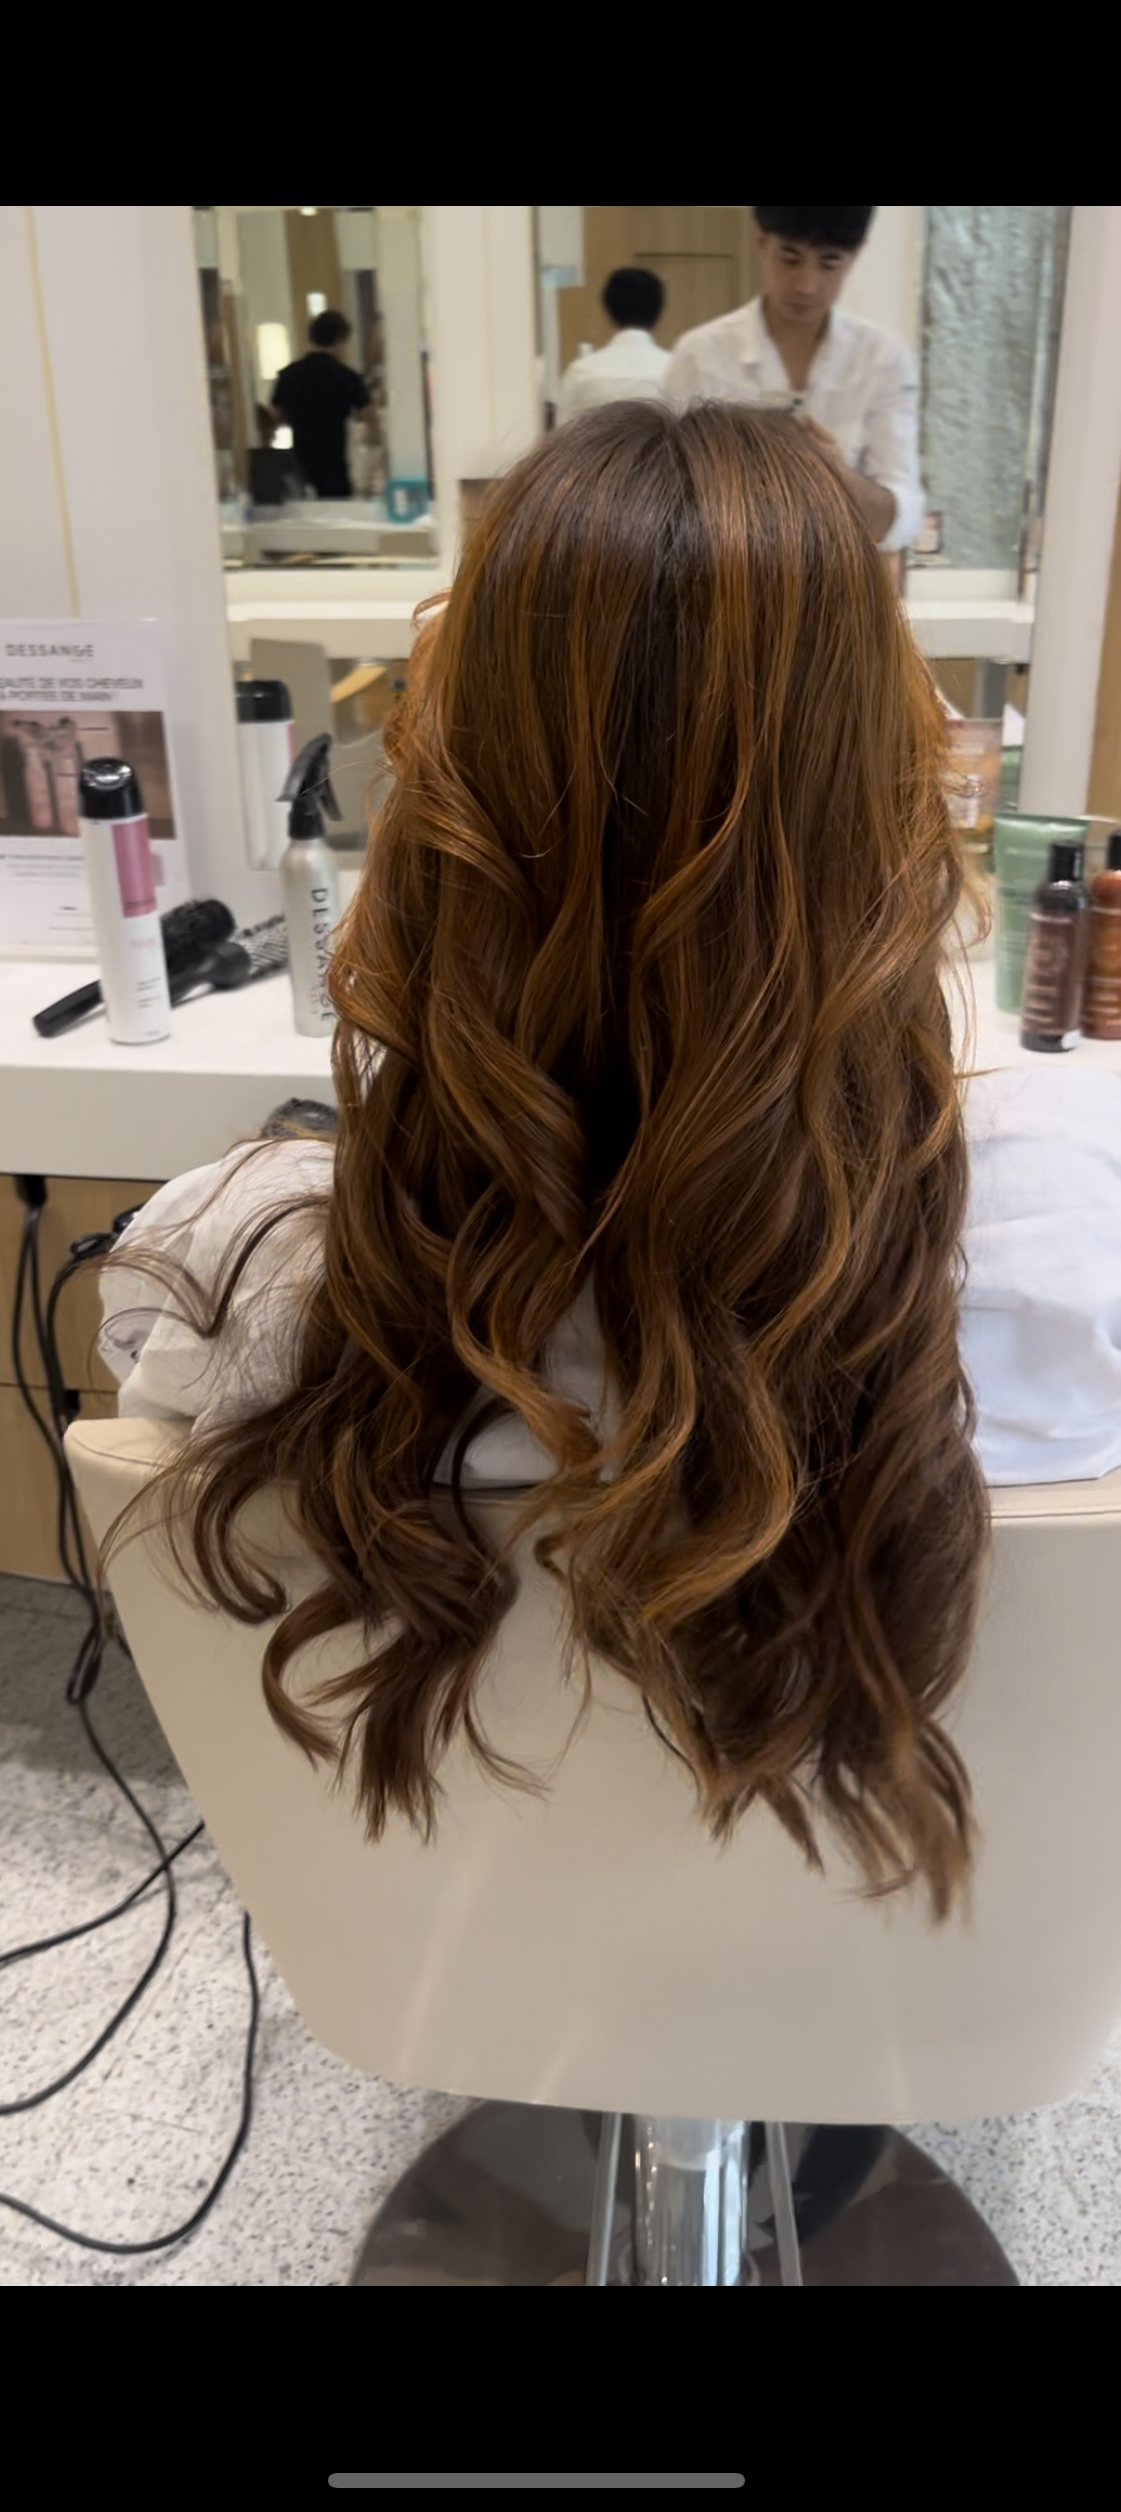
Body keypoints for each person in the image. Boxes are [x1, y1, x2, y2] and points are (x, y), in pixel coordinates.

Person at [96, 403, 1121, 1929]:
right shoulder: (1069, 1229)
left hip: (463, 1955)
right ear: (882, 799)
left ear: (445, 797)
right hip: (924, 1947)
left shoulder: (231, 1265)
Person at [663, 207, 924, 551]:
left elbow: (904, 517)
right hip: (726, 571)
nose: (806, 286)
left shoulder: (882, 359)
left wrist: (839, 480)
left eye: (829, 264)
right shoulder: (699, 356)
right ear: (760, 240)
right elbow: (663, 498)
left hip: (841, 575)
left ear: (856, 255)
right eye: (790, 259)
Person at [269, 310, 371, 501]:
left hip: (299, 468)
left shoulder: (288, 375)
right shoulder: (347, 376)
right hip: (335, 469)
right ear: (340, 340)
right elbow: (367, 416)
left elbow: (275, 417)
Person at [558, 268, 671, 420]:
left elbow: (563, 431)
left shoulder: (581, 373)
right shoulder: (674, 371)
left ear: (608, 311)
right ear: (659, 311)